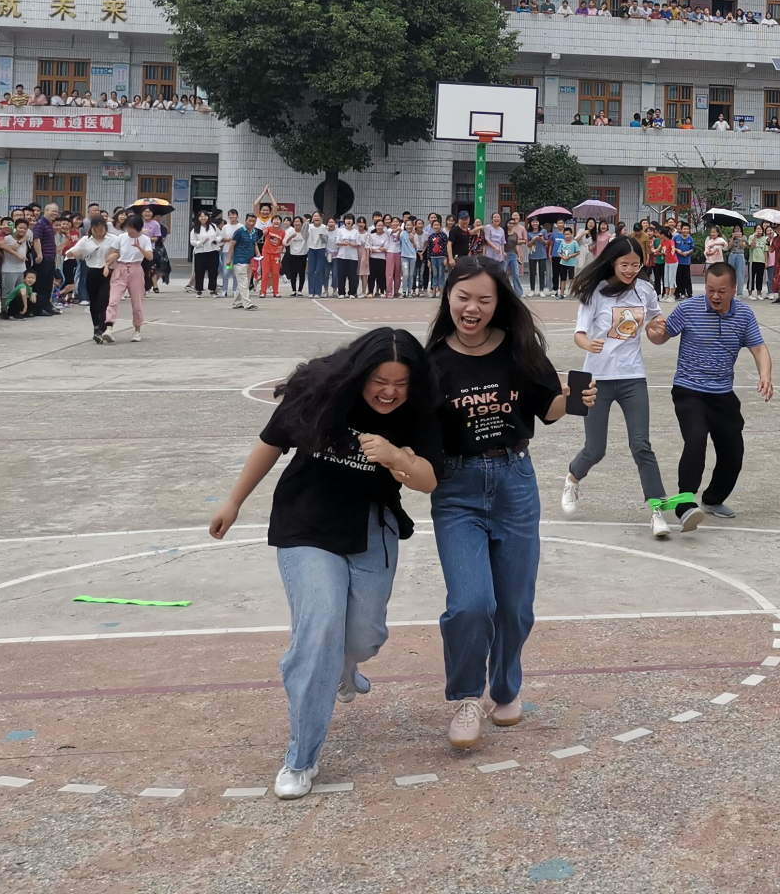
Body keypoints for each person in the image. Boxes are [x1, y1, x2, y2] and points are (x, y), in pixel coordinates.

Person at [208, 328, 441, 798]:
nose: (389, 392)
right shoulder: (317, 391)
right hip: (306, 525)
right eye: (379, 380)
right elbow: (270, 445)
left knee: (364, 636)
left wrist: (396, 456)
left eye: (400, 383)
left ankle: (345, 666)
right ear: (359, 373)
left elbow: (428, 480)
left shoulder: (418, 410)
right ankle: (301, 758)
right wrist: (233, 501)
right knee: (319, 631)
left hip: (372, 528)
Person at [424, 256, 593, 752]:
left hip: (515, 481)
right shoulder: (431, 362)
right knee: (471, 604)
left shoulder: (520, 350)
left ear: (498, 304)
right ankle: (466, 698)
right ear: (447, 297)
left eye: (483, 299)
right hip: (456, 489)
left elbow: (549, 409)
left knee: (516, 607)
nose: (471, 308)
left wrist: (579, 397)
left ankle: (505, 687)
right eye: (463, 297)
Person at [562, 236, 678, 537]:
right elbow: (579, 335)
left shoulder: (645, 290)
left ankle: (656, 512)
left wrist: (657, 328)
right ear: (612, 262)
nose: (630, 270)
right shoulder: (595, 292)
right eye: (624, 264)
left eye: (635, 265)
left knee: (641, 444)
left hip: (632, 376)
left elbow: (655, 324)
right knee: (595, 449)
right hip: (596, 379)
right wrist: (590, 344)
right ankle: (572, 479)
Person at [646, 261, 772, 522]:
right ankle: (685, 504)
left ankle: (713, 500)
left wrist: (765, 376)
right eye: (710, 290)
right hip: (688, 390)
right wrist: (652, 331)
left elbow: (759, 348)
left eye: (722, 291)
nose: (715, 296)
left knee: (733, 452)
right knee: (696, 440)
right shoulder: (688, 308)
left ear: (734, 289)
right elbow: (661, 335)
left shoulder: (745, 315)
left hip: (723, 393)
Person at [103, 214, 153, 341]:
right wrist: (108, 264)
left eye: (132, 227)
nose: (129, 230)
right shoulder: (121, 237)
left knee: (137, 303)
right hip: (120, 269)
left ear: (138, 228)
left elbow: (150, 257)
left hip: (136, 269)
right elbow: (113, 252)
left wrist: (139, 247)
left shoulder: (145, 239)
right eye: (128, 227)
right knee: (113, 300)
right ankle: (109, 328)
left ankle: (137, 330)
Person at [64, 216, 114, 343]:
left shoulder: (113, 239)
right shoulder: (86, 240)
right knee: (94, 302)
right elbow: (70, 252)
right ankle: (96, 327)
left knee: (104, 301)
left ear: (105, 228)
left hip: (107, 272)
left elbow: (120, 251)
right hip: (91, 272)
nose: (98, 232)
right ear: (91, 229)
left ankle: (102, 329)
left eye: (101, 229)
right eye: (95, 230)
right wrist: (72, 253)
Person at [191, 213, 221, 296]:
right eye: (201, 216)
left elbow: (220, 236)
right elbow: (192, 241)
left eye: (205, 216)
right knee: (199, 271)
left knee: (213, 271)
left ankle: (212, 289)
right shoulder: (195, 229)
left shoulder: (213, 226)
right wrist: (201, 242)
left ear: (208, 217)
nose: (203, 218)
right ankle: (199, 289)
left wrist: (216, 240)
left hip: (213, 250)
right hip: (200, 252)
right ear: (198, 218)